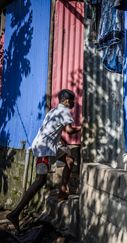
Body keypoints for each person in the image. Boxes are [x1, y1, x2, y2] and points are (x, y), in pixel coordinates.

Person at [7, 89, 81, 231]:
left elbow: (53, 131)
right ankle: (15, 213)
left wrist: (61, 143)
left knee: (69, 160)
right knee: (40, 180)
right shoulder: (64, 110)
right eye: (72, 100)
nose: (73, 103)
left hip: (47, 146)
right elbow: (70, 131)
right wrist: (84, 126)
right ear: (66, 101)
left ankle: (62, 191)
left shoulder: (52, 111)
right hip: (44, 150)